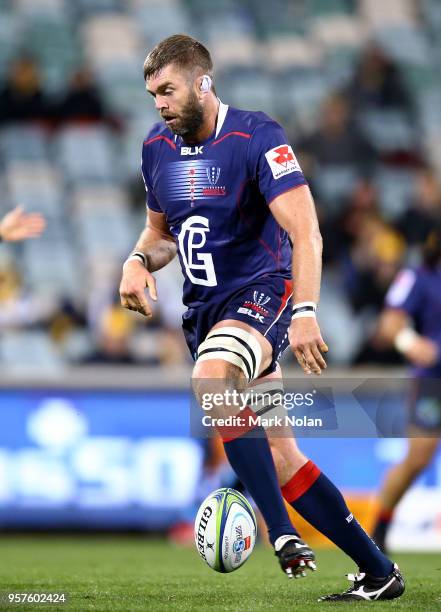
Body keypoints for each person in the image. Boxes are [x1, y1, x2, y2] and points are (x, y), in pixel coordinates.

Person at [119, 34, 404, 602]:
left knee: (211, 378)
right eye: (152, 94)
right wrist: (134, 262)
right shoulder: (156, 148)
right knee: (279, 454)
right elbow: (160, 235)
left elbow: (306, 232)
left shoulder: (256, 136)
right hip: (205, 310)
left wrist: (304, 311)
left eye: (168, 90)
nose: (160, 104)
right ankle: (378, 572)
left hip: (263, 297)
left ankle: (279, 535)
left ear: (202, 82)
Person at [372, 226, 441, 552]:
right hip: (432, 381)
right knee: (418, 458)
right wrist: (410, 342)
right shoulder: (419, 277)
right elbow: (390, 323)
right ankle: (379, 527)